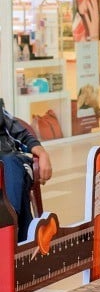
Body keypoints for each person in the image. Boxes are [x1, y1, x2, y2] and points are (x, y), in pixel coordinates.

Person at [0, 99, 53, 241]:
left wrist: (42, 155)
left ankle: (9, 224)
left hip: (12, 163)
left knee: (10, 163)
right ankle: (20, 238)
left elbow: (23, 136)